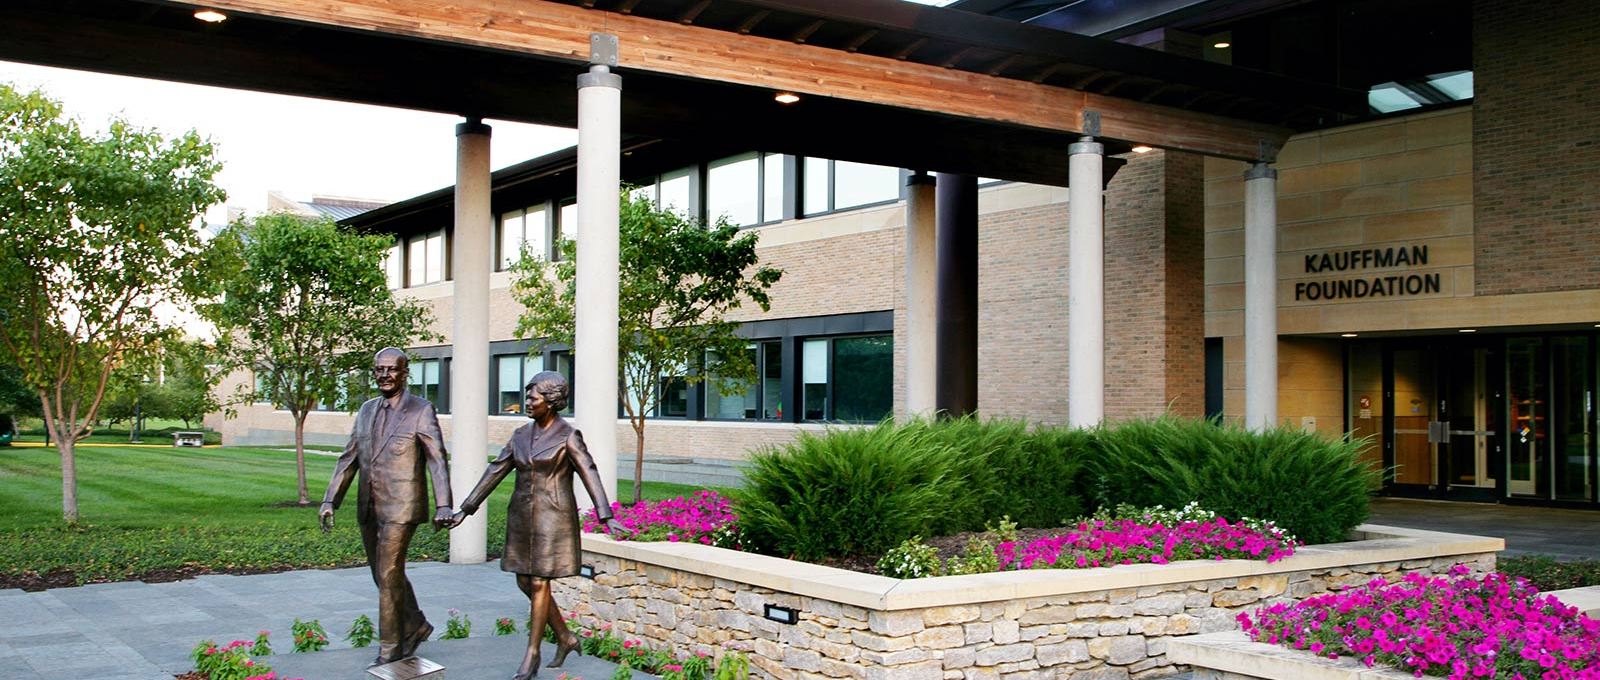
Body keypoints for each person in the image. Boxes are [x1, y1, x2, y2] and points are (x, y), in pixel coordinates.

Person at [444, 371, 624, 680]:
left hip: (553, 518)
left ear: (551, 402)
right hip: (522, 517)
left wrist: (605, 514)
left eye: (533, 397)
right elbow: (495, 471)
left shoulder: (569, 436)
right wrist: (466, 509)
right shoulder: (519, 435)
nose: (527, 402)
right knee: (525, 582)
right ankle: (566, 637)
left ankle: (533, 653)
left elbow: (589, 472)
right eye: (527, 396)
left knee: (540, 582)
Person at [319, 347, 453, 666]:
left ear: (405, 374)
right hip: (369, 504)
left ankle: (390, 647)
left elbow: (437, 460)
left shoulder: (421, 410)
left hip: (402, 506)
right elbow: (349, 457)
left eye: (391, 370)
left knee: (389, 571)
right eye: (379, 369)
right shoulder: (366, 410)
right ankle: (417, 623)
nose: (384, 375)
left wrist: (444, 504)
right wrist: (329, 499)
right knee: (382, 575)